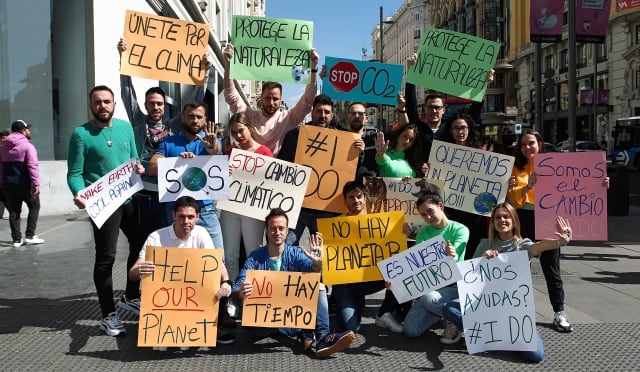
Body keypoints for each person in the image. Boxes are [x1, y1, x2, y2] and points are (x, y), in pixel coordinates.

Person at [442, 203, 575, 362]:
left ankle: (499, 334)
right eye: (498, 217)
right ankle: (496, 333)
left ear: (514, 221)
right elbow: (469, 278)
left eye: (506, 216)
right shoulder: (485, 244)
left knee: (536, 356)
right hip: (485, 307)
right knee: (449, 308)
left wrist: (560, 242)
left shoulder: (522, 245)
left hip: (513, 313)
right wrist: (482, 259)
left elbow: (540, 246)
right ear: (493, 223)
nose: (502, 220)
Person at [66, 85, 146, 337]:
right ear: (91, 105)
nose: (103, 106)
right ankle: (108, 315)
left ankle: (130, 296)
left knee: (140, 245)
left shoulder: (125, 128)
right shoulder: (80, 134)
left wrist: (140, 168)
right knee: (106, 258)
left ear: (114, 104)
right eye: (98, 102)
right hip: (103, 205)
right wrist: (79, 193)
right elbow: (75, 173)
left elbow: (134, 159)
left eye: (107, 101)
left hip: (128, 199)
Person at [116, 38, 212, 236]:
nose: (155, 107)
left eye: (159, 103)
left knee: (166, 243)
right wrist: (122, 59)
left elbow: (194, 102)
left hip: (168, 195)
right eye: (151, 103)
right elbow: (127, 94)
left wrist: (205, 73)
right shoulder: (138, 122)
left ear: (165, 106)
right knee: (140, 244)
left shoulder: (173, 125)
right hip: (141, 194)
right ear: (145, 105)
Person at [233, 208, 355, 358]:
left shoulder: (295, 253)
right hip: (260, 323)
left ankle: (323, 337)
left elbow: (312, 275)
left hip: (288, 315)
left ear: (287, 230)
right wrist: (241, 291)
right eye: (273, 228)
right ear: (266, 230)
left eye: (281, 228)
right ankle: (304, 331)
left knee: (319, 285)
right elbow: (237, 287)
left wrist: (317, 264)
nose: (277, 232)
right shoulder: (255, 257)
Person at [129, 195, 235, 346]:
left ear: (198, 217)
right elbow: (132, 275)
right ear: (173, 215)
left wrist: (226, 282)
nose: (186, 221)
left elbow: (216, 263)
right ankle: (159, 328)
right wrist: (140, 269)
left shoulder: (201, 233)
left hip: (192, 293)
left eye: (190, 217)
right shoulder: (156, 237)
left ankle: (211, 329)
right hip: (166, 294)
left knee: (217, 285)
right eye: (181, 216)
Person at [507, 129, 572, 332]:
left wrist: (600, 185)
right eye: (523, 144)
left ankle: (559, 312)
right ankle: (515, 313)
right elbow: (512, 198)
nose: (527, 148)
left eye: (531, 143)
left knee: (552, 268)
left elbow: (575, 187)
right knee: (518, 268)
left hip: (547, 219)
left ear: (540, 144)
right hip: (522, 219)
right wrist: (526, 188)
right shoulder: (515, 167)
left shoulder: (555, 165)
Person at [331, 180, 404, 334]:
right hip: (346, 284)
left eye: (359, 196)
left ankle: (384, 313)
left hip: (371, 279)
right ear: (345, 200)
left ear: (365, 198)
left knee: (401, 271)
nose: (356, 201)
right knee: (352, 329)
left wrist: (403, 232)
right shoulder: (334, 225)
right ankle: (347, 303)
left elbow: (392, 248)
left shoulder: (379, 221)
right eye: (351, 197)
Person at [148, 102, 223, 250]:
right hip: (177, 213)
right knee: (180, 260)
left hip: (205, 211)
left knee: (217, 258)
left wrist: (211, 145)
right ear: (182, 118)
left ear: (204, 119)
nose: (195, 120)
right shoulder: (168, 142)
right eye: (191, 116)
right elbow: (151, 168)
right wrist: (175, 162)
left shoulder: (211, 140)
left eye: (199, 117)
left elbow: (215, 151)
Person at [223, 43, 319, 156]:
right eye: (268, 98)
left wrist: (313, 67)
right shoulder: (249, 116)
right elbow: (231, 95)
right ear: (261, 97)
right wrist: (228, 64)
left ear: (281, 99)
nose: (271, 103)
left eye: (275, 99)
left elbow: (308, 100)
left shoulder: (288, 118)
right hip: (249, 170)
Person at [402, 190, 468, 342]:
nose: (428, 217)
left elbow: (456, 253)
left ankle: (454, 319)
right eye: (424, 215)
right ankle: (444, 314)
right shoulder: (422, 234)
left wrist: (452, 254)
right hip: (432, 285)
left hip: (454, 286)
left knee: (427, 297)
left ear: (441, 206)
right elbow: (418, 266)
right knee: (410, 330)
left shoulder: (461, 229)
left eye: (430, 211)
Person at [277, 94, 339, 245]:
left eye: (326, 112)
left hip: (325, 210)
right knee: (286, 248)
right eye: (318, 111)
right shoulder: (295, 135)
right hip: (296, 208)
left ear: (332, 115)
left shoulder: (340, 140)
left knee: (326, 254)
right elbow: (282, 166)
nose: (322, 115)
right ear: (312, 112)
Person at [221, 113, 272, 282]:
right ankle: (232, 295)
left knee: (253, 253)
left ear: (250, 128)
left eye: (241, 130)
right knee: (229, 255)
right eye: (234, 132)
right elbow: (220, 182)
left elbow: (271, 183)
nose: (238, 136)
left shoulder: (264, 152)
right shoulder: (230, 152)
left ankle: (254, 294)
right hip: (230, 207)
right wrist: (224, 173)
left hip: (252, 210)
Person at [440, 113, 488, 260]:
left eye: (463, 128)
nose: (460, 132)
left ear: (469, 129)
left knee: (472, 250)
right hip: (452, 210)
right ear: (450, 131)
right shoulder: (442, 153)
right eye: (456, 128)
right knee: (453, 249)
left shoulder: (481, 153)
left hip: (474, 213)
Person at [0, 120, 44, 247]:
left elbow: (1, 168)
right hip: (26, 184)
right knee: (35, 206)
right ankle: (30, 235)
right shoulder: (28, 146)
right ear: (23, 131)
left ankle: (16, 240)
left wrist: (2, 184)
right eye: (27, 129)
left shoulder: (2, 148)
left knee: (14, 211)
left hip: (9, 185)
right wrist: (36, 183)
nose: (29, 131)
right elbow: (32, 166)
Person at [0, 130, 9, 219]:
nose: (4, 140)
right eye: (3, 138)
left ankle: (14, 213)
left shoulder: (9, 150)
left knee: (4, 196)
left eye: (6, 138)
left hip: (5, 178)